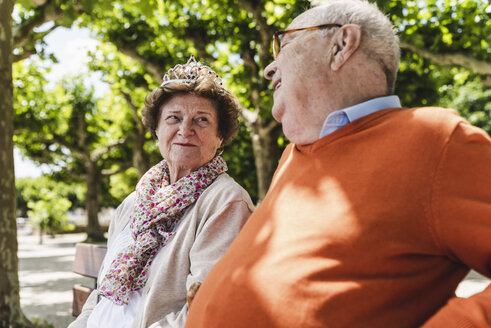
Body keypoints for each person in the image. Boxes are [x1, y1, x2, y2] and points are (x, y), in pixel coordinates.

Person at [185, 1, 491, 327]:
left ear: (342, 45)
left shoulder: (436, 139)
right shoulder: (292, 156)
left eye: (283, 43)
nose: (268, 69)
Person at [69, 55, 254, 328]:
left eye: (201, 120)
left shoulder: (226, 202)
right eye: (174, 118)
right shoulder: (133, 203)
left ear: (220, 137)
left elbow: (206, 308)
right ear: (157, 130)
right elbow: (102, 294)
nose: (185, 130)